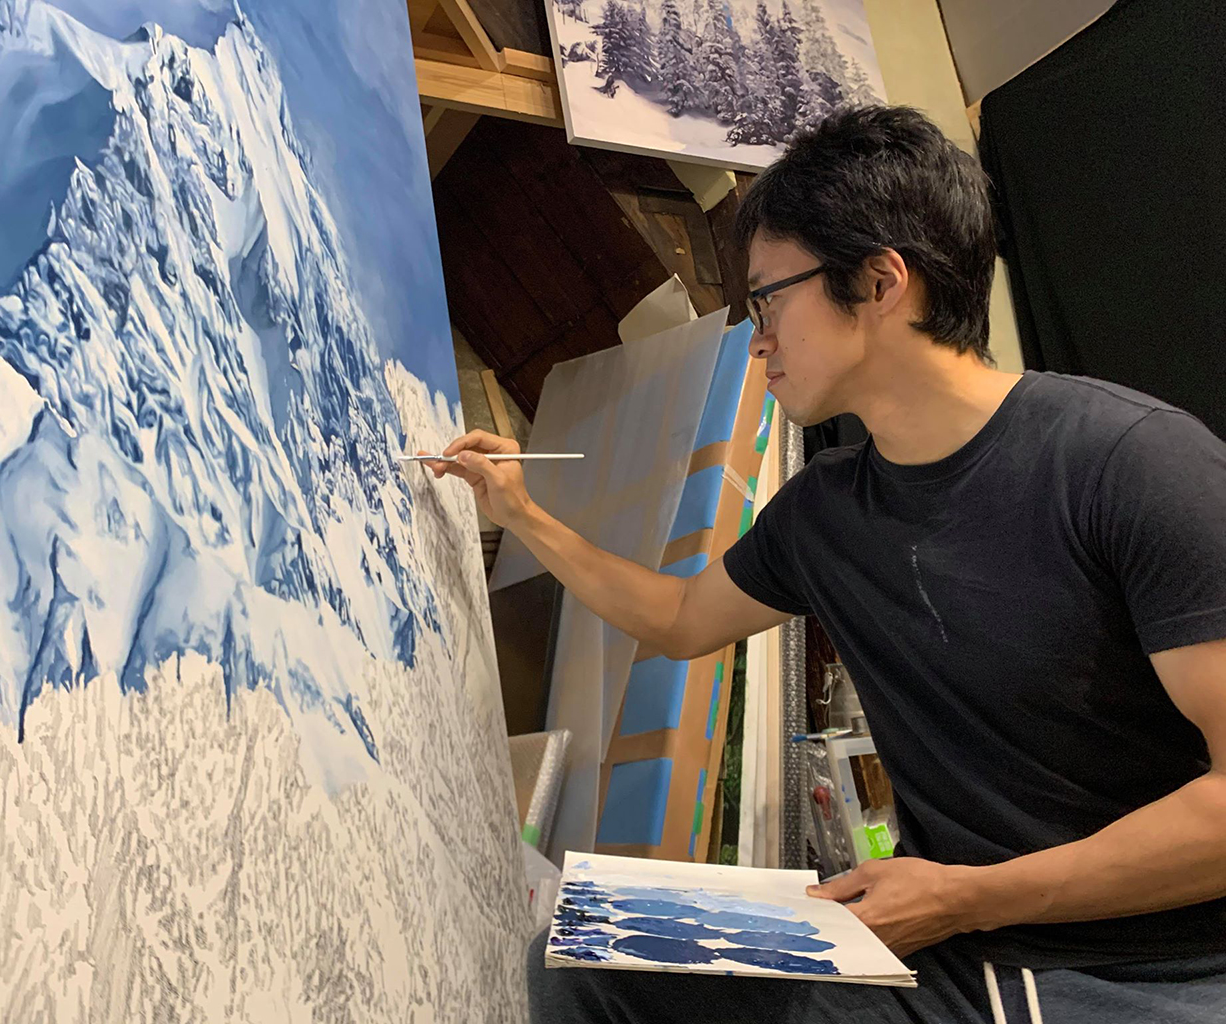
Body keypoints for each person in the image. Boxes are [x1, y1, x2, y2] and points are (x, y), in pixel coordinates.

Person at [425, 106, 1226, 1023]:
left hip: (1148, 974)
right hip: (945, 947)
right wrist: (520, 515)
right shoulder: (825, 512)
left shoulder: (1132, 465)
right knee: (580, 966)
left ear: (881, 282)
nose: (756, 338)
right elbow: (680, 620)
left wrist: (967, 897)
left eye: (768, 299)